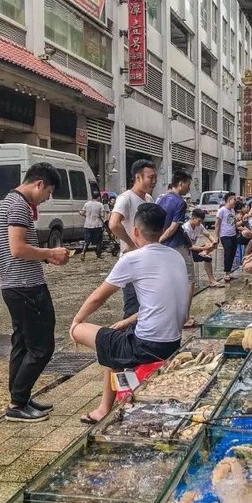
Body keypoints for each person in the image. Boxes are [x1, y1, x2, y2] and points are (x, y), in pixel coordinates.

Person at [70, 203, 189, 424]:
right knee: (114, 338)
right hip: (173, 342)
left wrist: (76, 321)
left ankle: (103, 409)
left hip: (148, 346)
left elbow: (98, 298)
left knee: (99, 341)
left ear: (135, 231)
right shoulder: (176, 256)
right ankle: (121, 391)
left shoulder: (133, 258)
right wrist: (129, 320)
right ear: (162, 230)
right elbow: (161, 302)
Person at [0, 163, 69, 422]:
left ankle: (20, 398)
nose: (47, 198)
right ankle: (17, 403)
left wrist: (46, 258)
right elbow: (17, 248)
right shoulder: (18, 205)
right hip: (25, 286)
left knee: (22, 344)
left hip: (15, 285)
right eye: (48, 192)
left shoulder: (12, 201)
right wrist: (50, 252)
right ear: (39, 184)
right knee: (42, 347)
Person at [110, 159, 157, 319]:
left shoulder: (149, 199)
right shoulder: (126, 198)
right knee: (132, 308)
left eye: (155, 177)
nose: (154, 181)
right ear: (138, 177)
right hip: (133, 262)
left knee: (148, 306)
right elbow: (113, 224)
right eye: (151, 177)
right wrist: (130, 244)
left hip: (148, 260)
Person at [157, 170, 198, 327]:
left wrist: (157, 242)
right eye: (188, 184)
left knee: (168, 281)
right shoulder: (180, 202)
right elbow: (173, 228)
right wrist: (161, 239)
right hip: (177, 245)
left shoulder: (161, 199)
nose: (189, 188)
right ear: (181, 183)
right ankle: (185, 317)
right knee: (189, 280)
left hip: (163, 247)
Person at [184, 209, 221, 287]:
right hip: (186, 251)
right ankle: (204, 253)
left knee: (210, 247)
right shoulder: (186, 228)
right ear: (193, 218)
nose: (200, 223)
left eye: (201, 221)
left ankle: (212, 280)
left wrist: (214, 242)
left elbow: (208, 235)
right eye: (199, 221)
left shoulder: (199, 226)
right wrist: (204, 248)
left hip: (195, 248)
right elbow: (190, 247)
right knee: (207, 256)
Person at [215, 191, 238, 283]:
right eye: (234, 199)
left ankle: (229, 272)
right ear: (229, 200)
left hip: (233, 235)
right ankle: (226, 274)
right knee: (227, 253)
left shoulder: (232, 211)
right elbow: (217, 225)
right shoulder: (221, 211)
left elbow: (234, 223)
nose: (235, 201)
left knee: (232, 253)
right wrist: (216, 237)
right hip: (225, 235)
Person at [79, 192, 106, 261]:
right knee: (99, 240)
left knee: (87, 240)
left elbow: (82, 213)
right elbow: (102, 215)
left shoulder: (86, 204)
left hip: (88, 224)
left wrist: (82, 213)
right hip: (97, 225)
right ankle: (98, 254)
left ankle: (83, 252)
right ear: (98, 197)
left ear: (92, 197)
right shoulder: (100, 204)